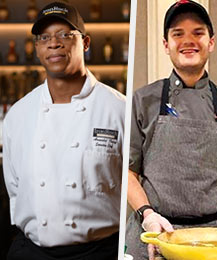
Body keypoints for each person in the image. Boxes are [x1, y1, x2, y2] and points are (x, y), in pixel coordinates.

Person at [125, 1, 217, 259]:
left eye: (198, 33)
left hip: (212, 241)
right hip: (155, 236)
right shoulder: (142, 101)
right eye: (178, 34)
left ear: (211, 42)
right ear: (166, 44)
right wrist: (147, 215)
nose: (188, 41)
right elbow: (127, 170)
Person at [2, 2, 125, 260]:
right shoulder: (18, 115)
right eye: (44, 37)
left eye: (65, 35)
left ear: (86, 43)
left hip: (98, 253)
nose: (54, 43)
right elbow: (15, 188)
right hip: (30, 253)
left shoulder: (119, 110)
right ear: (37, 48)